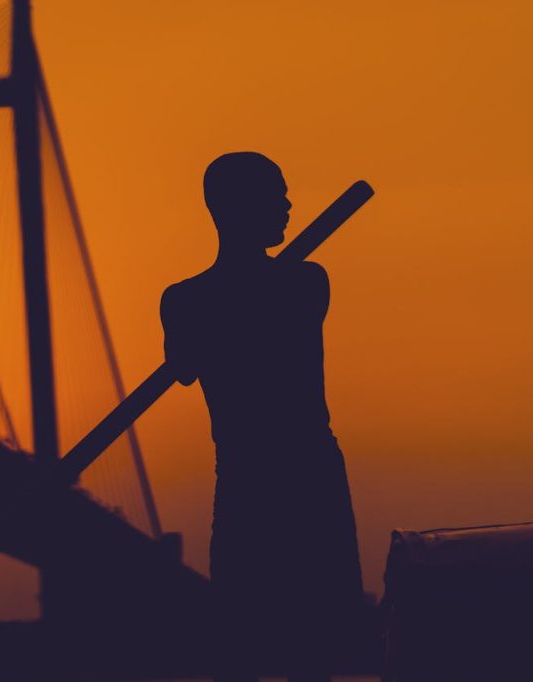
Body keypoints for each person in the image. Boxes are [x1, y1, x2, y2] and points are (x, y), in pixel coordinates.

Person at [160, 152, 364, 682]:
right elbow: (184, 368)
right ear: (236, 207)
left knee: (312, 647)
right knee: (245, 643)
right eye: (277, 194)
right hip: (262, 481)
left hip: (297, 478)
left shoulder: (296, 284)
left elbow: (185, 366)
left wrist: (222, 311)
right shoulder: (290, 284)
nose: (289, 204)